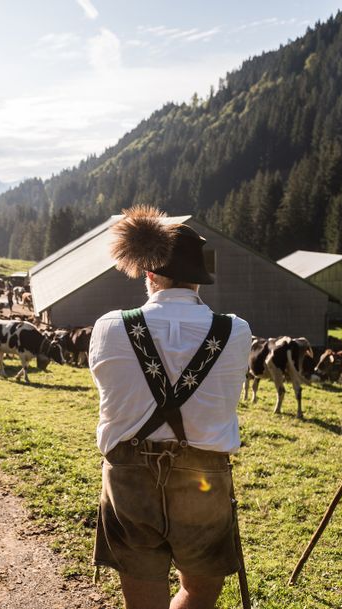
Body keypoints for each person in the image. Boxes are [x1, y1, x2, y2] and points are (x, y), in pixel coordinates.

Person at [89, 205, 252, 609]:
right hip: (204, 476)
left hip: (129, 478)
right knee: (199, 592)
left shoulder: (110, 325)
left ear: (148, 271)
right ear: (200, 278)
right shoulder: (235, 330)